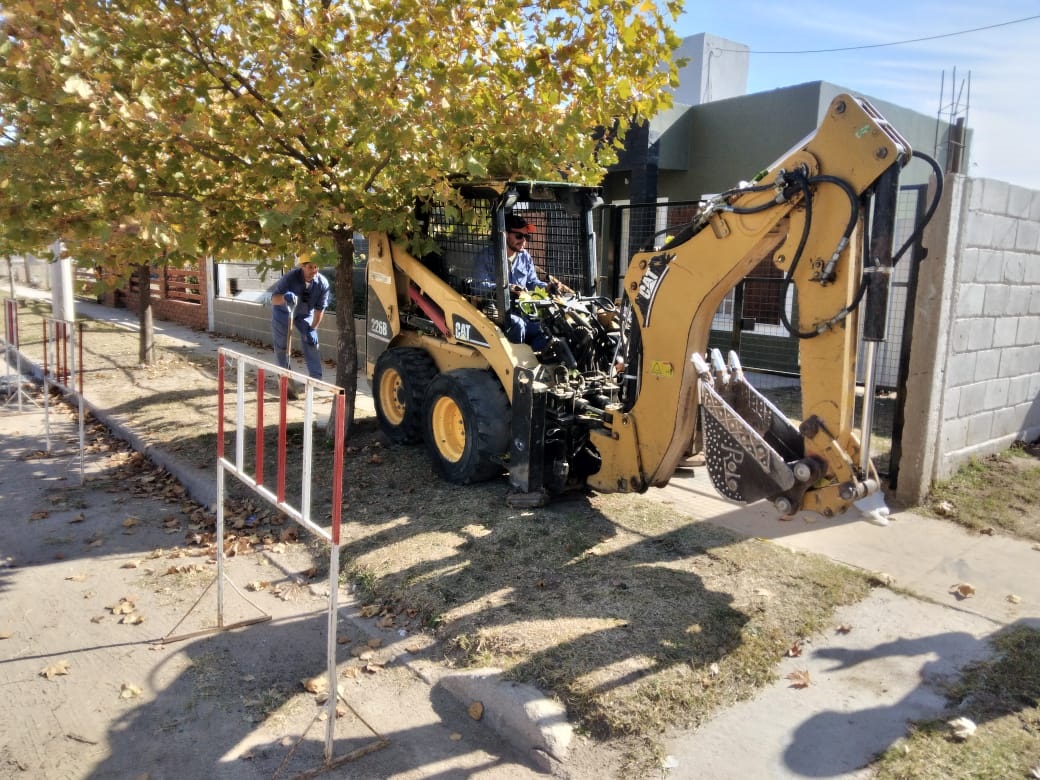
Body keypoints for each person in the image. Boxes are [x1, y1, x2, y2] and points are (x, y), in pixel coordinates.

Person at [472, 214, 551, 350]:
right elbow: (478, 286)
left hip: (522, 308)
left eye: (526, 237)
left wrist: (547, 287)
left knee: (546, 327)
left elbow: (532, 282)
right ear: (505, 235)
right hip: (495, 310)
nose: (524, 241)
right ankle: (516, 364)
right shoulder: (486, 256)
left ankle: (535, 361)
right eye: (519, 236)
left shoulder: (525, 256)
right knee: (517, 324)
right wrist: (507, 288)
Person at [270, 252, 331, 391]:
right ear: (302, 267)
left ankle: (315, 381)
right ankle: (285, 380)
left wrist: (312, 328)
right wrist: (285, 297)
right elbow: (274, 299)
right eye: (310, 267)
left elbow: (320, 309)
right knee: (281, 347)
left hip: (304, 314)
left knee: (311, 343)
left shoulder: (322, 284)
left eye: (316, 267)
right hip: (283, 313)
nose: (314, 271)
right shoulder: (290, 278)